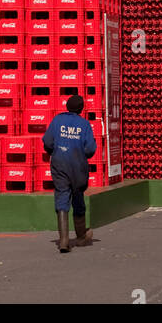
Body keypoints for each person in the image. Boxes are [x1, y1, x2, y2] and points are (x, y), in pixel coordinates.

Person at [42, 94, 96, 253]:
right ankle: (80, 236)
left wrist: (54, 151)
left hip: (59, 164)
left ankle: (64, 241)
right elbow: (90, 149)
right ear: (81, 108)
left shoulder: (57, 120)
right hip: (78, 166)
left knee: (62, 195)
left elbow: (47, 142)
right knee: (78, 195)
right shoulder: (84, 124)